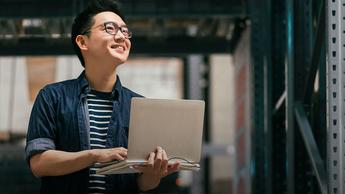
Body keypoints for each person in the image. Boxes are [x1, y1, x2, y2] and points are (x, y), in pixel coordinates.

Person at [25, 0, 179, 193]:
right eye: (110, 28)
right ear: (83, 42)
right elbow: (39, 163)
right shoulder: (52, 97)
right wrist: (95, 156)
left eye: (125, 31)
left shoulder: (138, 105)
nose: (122, 36)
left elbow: (141, 184)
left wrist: (154, 173)